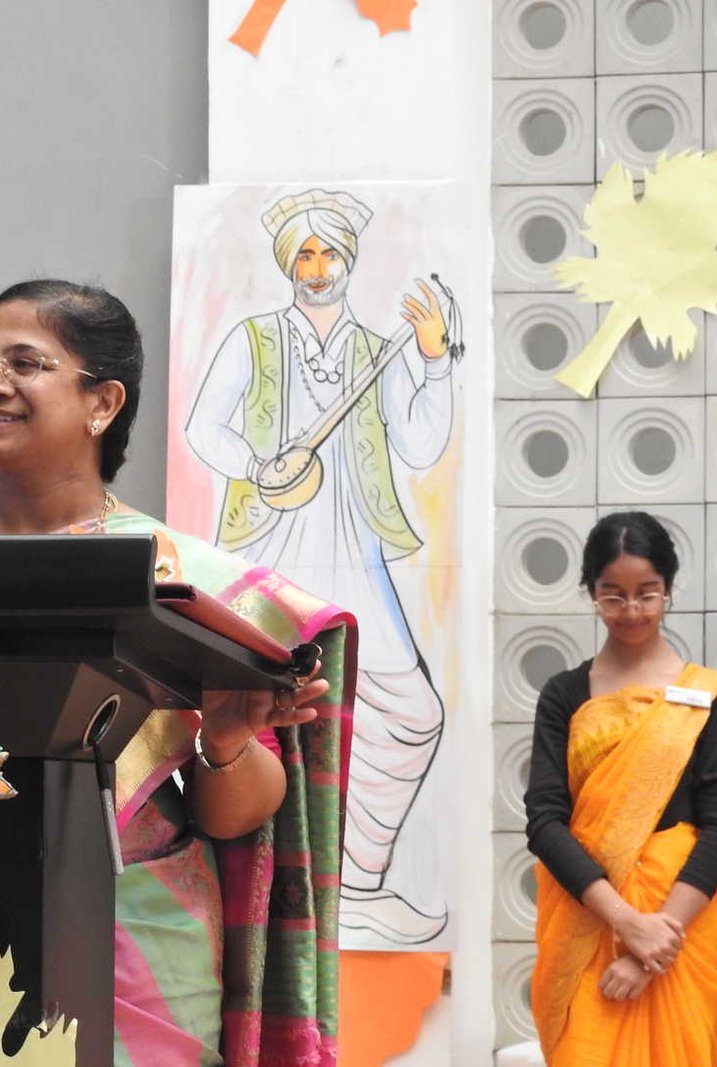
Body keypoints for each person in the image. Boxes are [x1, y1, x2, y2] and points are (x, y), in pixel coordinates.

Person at [0, 279, 356, 1066]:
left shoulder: (179, 578)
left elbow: (235, 819)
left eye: (24, 363)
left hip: (134, 941)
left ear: (103, 401)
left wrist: (226, 741)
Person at [184, 189, 460, 944]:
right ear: (287, 265)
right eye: (303, 254)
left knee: (413, 714)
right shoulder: (253, 338)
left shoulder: (377, 350)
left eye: (328, 252)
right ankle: (264, 899)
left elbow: (420, 444)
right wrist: (257, 464)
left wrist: (435, 359)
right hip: (270, 550)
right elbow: (204, 427)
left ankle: (359, 884)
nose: (316, 267)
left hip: (355, 551)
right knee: (256, 713)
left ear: (348, 260)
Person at [524, 511, 717, 1065]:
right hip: (589, 923)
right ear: (592, 593)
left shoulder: (706, 694)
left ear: (668, 589)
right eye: (613, 596)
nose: (631, 611)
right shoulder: (564, 694)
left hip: (682, 929)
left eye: (647, 594)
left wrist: (655, 945)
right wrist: (626, 923)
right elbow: (545, 821)